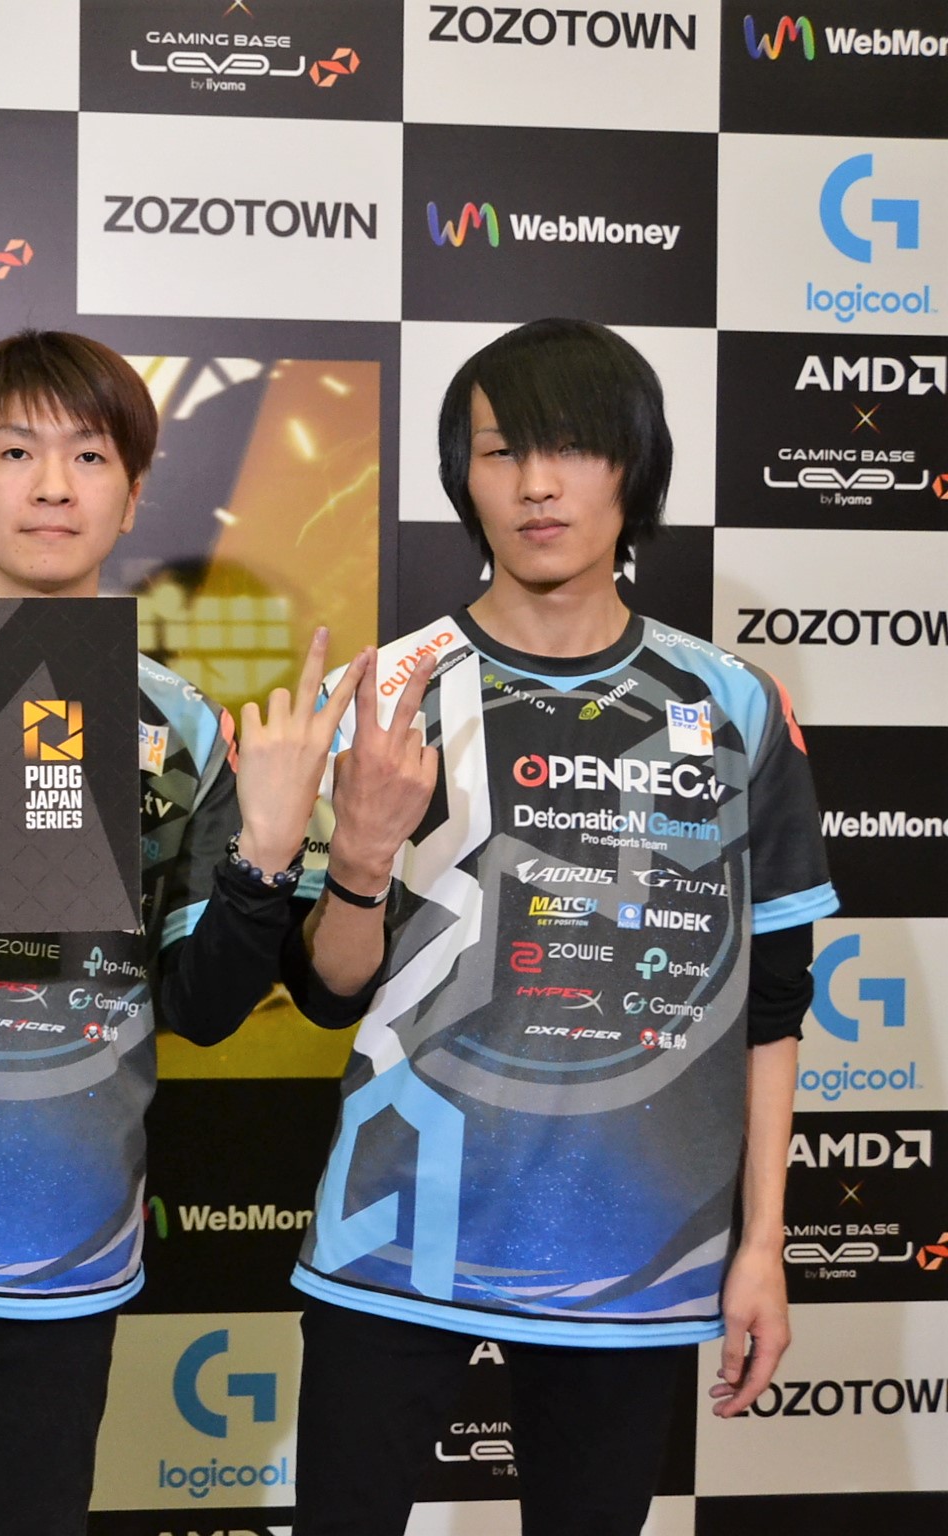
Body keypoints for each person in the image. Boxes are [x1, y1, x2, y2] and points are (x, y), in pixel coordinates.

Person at [0, 329, 365, 1536]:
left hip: (66, 1241)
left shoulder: (184, 726)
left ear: (132, 494)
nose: (50, 486)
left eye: (89, 456)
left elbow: (198, 1007)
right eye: (16, 452)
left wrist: (267, 854)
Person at [280, 318, 835, 1535]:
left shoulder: (733, 703)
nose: (537, 484)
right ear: (462, 478)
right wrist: (360, 857)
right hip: (396, 1232)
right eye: (501, 452)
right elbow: (325, 992)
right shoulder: (383, 694)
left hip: (633, 1249)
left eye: (573, 447)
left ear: (634, 466)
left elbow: (775, 1002)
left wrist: (763, 1244)